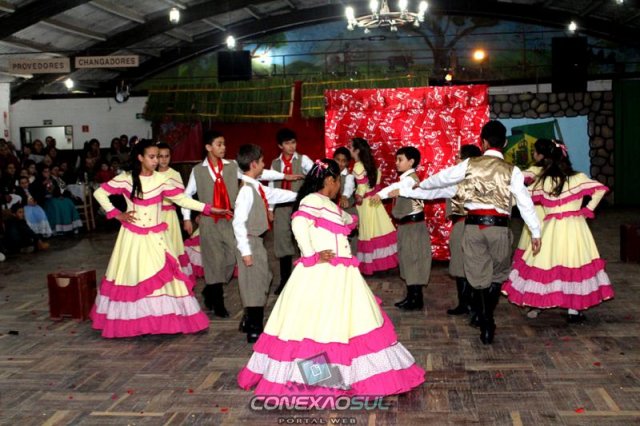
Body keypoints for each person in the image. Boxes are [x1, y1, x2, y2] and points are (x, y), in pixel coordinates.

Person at [237, 159, 425, 399]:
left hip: (343, 273)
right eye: (338, 181)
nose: (339, 186)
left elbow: (343, 219)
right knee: (319, 327)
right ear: (329, 180)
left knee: (350, 325)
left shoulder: (326, 203)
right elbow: (299, 223)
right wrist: (311, 255)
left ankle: (351, 375)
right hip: (321, 273)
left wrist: (350, 219)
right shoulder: (311, 201)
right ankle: (318, 381)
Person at [415, 121, 542, 344]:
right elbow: (525, 202)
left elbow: (443, 177)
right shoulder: (512, 170)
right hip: (499, 228)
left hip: (473, 227)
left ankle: (485, 320)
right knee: (498, 275)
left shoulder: (470, 164)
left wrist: (422, 185)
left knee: (477, 276)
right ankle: (487, 317)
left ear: (482, 142)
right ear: (505, 142)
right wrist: (535, 232)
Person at [90, 140, 231, 338]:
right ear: (140, 157)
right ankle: (138, 321)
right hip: (133, 237)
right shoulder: (127, 178)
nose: (156, 160)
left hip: (157, 236)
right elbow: (99, 192)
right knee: (135, 276)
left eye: (157, 156)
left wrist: (209, 208)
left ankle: (159, 321)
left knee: (163, 274)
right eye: (152, 157)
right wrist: (116, 213)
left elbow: (182, 199)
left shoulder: (161, 179)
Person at [182, 131, 300, 318]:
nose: (223, 147)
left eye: (224, 144)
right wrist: (187, 217)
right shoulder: (198, 171)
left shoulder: (232, 165)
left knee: (231, 258)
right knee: (213, 261)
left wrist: (285, 176)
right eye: (219, 144)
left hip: (230, 218)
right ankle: (217, 301)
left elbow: (258, 172)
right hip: (209, 221)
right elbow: (187, 195)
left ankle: (210, 289)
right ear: (208, 147)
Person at [502, 140, 614, 322]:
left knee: (546, 262)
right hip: (575, 227)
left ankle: (540, 302)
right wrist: (587, 209)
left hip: (551, 227)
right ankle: (573, 309)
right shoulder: (578, 178)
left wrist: (497, 204)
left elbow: (521, 197)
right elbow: (600, 189)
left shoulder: (544, 181)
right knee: (574, 262)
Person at [232, 144, 298, 342]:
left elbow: (275, 195)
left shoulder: (255, 186)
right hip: (250, 241)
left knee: (263, 278)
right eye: (261, 162)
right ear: (253, 164)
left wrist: (302, 195)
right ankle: (254, 327)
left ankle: (248, 320)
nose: (263, 165)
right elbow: (238, 222)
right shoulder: (246, 190)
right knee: (254, 283)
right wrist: (245, 251)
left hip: (256, 241)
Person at [371, 146, 430, 311]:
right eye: (396, 159)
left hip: (413, 227)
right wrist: (382, 194)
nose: (396, 163)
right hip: (406, 227)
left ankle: (416, 299)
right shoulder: (405, 179)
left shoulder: (410, 180)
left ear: (411, 162)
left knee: (413, 260)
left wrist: (382, 194)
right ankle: (412, 296)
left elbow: (400, 186)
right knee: (407, 260)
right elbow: (396, 187)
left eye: (400, 159)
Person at [269, 128, 314, 295]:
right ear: (280, 146)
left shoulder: (303, 160)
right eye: (287, 143)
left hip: (300, 207)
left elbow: (316, 175)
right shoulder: (275, 164)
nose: (291, 146)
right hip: (281, 208)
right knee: (282, 244)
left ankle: (307, 279)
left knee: (304, 242)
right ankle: (285, 281)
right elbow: (271, 187)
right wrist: (270, 209)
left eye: (293, 142)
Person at [512, 138, 554, 318]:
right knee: (558, 259)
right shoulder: (564, 174)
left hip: (537, 218)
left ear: (540, 155)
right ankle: (570, 306)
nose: (533, 155)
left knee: (537, 261)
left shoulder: (534, 172)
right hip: (556, 221)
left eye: (535, 152)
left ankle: (536, 302)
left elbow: (514, 181)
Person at [347, 137, 398, 275]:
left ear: (357, 150)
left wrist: (357, 196)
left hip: (365, 204)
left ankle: (372, 266)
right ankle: (381, 266)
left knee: (368, 232)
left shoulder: (358, 166)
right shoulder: (371, 164)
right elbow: (376, 185)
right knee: (378, 230)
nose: (349, 150)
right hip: (375, 202)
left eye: (350, 147)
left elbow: (361, 188)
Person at [156, 142, 192, 279]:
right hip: (154, 215)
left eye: (167, 156)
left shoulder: (175, 174)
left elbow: (183, 198)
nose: (164, 159)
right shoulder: (150, 173)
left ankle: (173, 278)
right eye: (160, 156)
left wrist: (186, 219)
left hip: (170, 216)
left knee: (171, 247)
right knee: (156, 248)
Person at [333, 146, 358, 254]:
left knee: (350, 246)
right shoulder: (330, 175)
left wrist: (344, 196)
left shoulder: (349, 176)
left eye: (343, 161)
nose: (340, 163)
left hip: (349, 213)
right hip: (335, 214)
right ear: (333, 159)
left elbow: (348, 187)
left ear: (348, 163)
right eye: (338, 160)